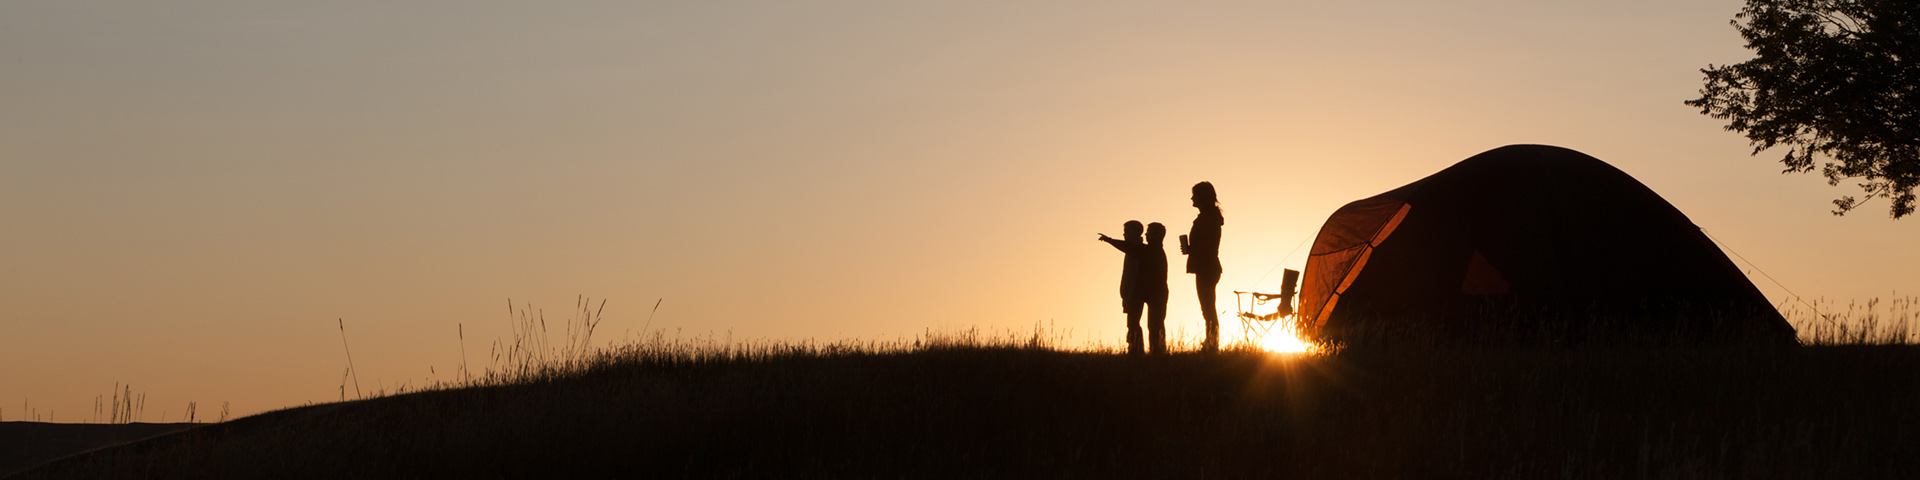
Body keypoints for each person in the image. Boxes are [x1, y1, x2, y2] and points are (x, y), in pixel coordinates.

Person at [1181, 181, 1223, 353]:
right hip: (1208, 266)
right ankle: (1211, 342)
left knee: (1208, 308)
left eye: (1195, 195)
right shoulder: (1210, 218)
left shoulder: (1206, 219)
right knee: (1208, 307)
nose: (1192, 198)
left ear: (1202, 197)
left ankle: (1212, 345)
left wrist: (1193, 251)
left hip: (1205, 266)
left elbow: (1206, 245)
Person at [1097, 221, 1148, 355]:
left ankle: (1136, 350)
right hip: (1130, 292)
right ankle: (1135, 349)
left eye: (1127, 231)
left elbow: (1133, 275)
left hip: (1135, 293)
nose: (1124, 234)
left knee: (1133, 323)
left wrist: (1109, 240)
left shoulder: (1137, 249)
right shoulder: (1132, 249)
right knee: (1132, 322)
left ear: (1136, 232)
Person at [1142, 222, 1170, 355]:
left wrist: (1110, 241)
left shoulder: (1154, 250)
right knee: (1154, 324)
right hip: (1154, 293)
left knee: (1155, 324)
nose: (1146, 234)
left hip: (1157, 293)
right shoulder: (1153, 249)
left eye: (1149, 232)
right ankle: (1156, 350)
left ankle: (1158, 351)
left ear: (1158, 235)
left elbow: (1131, 249)